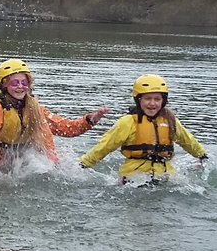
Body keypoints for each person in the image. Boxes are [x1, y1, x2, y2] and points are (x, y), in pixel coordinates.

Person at [0, 58, 108, 167]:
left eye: (24, 82)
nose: (20, 86)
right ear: (4, 85)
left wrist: (89, 120)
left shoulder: (34, 108)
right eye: (14, 83)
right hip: (0, 156)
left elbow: (65, 128)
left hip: (25, 156)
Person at [79, 74, 208, 183]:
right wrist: (84, 164)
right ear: (138, 100)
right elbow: (105, 146)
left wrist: (202, 155)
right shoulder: (128, 122)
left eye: (157, 99)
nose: (152, 103)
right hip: (134, 178)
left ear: (163, 101)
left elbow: (187, 140)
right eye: (147, 99)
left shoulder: (170, 120)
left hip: (166, 176)